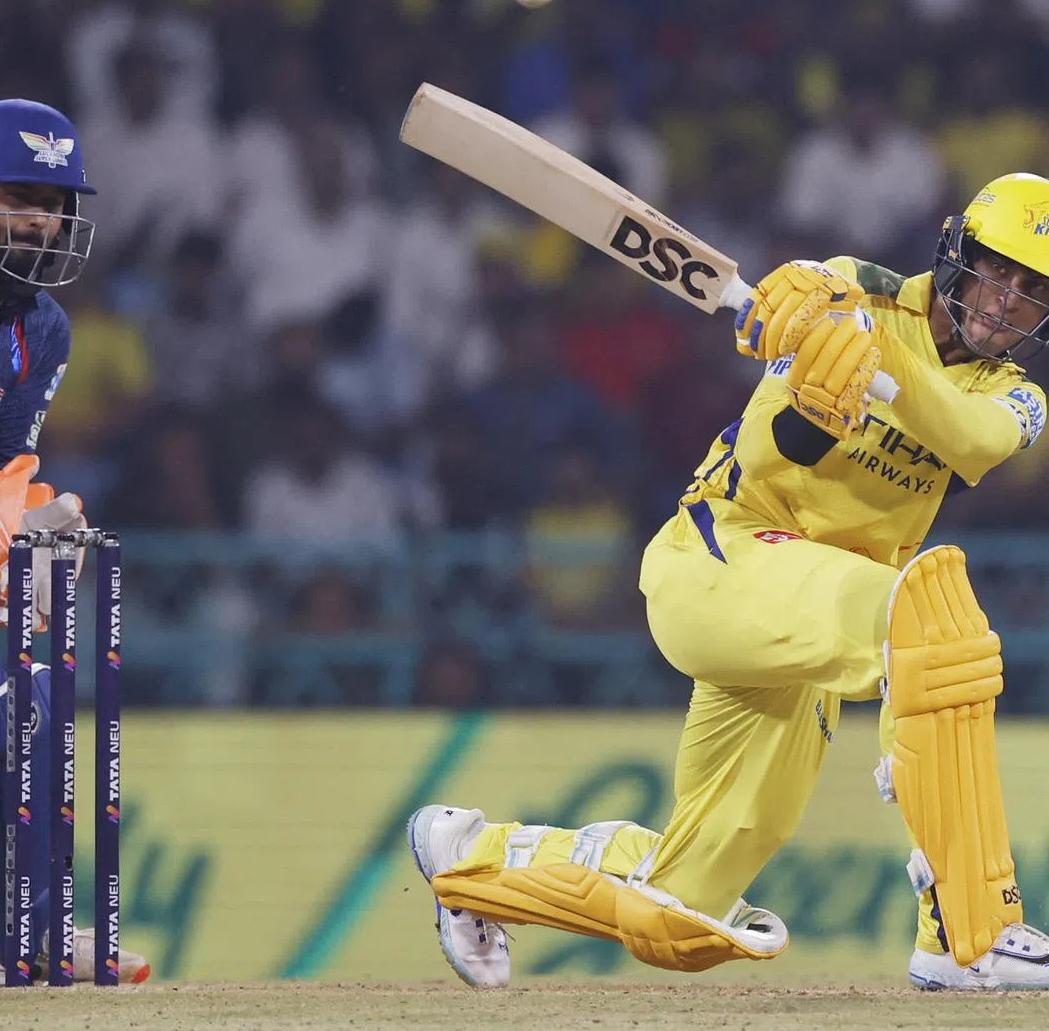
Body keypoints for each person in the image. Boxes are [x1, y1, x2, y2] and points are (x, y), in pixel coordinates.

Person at [407, 172, 1049, 991]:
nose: (1008, 302)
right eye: (999, 271)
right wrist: (822, 381)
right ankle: (971, 931)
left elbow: (967, 436)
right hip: (723, 562)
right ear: (960, 256)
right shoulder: (851, 290)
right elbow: (781, 447)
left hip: (815, 619)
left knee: (681, 916)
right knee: (931, 619)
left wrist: (872, 360)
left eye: (1034, 291)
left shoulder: (1016, 395)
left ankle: (471, 860)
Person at [0, 97, 149, 984]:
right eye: (18, 195)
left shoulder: (42, 329)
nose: (40, 219)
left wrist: (12, 538)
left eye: (53, 203)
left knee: (14, 709)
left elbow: (2, 464)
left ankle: (23, 937)